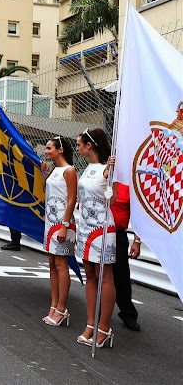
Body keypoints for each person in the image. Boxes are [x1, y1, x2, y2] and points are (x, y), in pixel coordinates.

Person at [75, 127, 117, 348]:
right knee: (90, 274)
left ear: (89, 145)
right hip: (84, 227)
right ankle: (90, 324)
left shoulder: (108, 168)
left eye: (80, 143)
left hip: (102, 229)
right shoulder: (89, 167)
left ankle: (104, 328)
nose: (78, 147)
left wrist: (113, 173)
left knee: (104, 276)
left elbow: (115, 197)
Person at [41, 136, 78, 328]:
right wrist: (46, 173)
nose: (46, 151)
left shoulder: (69, 170)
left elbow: (72, 199)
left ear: (60, 150)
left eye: (49, 148)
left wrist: (65, 225)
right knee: (52, 264)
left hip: (63, 225)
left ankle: (62, 308)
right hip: (51, 224)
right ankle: (54, 306)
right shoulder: (55, 170)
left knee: (62, 265)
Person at [111, 183, 142, 332]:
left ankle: (128, 314)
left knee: (121, 276)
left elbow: (138, 217)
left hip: (118, 235)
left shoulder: (130, 186)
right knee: (96, 275)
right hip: (97, 233)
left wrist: (137, 241)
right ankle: (97, 311)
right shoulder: (102, 177)